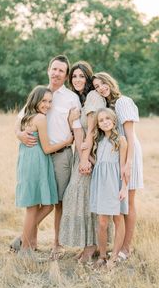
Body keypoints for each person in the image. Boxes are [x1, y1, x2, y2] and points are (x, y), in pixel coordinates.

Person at [15, 55, 83, 257]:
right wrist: (19, 134)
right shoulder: (38, 94)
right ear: (48, 70)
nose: (57, 73)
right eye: (54, 69)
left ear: (66, 75)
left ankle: (57, 243)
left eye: (61, 70)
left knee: (59, 201)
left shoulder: (72, 98)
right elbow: (19, 120)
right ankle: (30, 242)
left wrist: (82, 155)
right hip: (39, 155)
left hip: (61, 156)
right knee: (37, 200)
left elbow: (77, 128)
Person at [59, 61, 107, 262]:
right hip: (82, 152)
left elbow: (94, 129)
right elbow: (78, 130)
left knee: (84, 195)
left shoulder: (94, 97)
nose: (77, 80)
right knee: (80, 195)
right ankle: (89, 244)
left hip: (92, 152)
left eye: (81, 76)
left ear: (88, 78)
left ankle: (92, 246)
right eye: (74, 76)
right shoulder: (79, 99)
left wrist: (87, 158)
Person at [92, 72, 143, 260]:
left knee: (128, 203)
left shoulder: (122, 102)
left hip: (130, 154)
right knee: (119, 205)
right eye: (96, 87)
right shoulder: (107, 105)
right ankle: (115, 247)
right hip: (116, 157)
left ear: (110, 81)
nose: (101, 88)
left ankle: (126, 248)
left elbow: (130, 136)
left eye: (102, 83)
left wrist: (128, 164)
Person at [90, 108, 128, 268]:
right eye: (101, 120)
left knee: (118, 219)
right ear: (98, 125)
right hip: (100, 184)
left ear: (113, 121)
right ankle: (102, 256)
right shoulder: (98, 142)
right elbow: (98, 163)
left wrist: (124, 187)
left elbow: (124, 167)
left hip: (114, 184)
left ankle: (114, 257)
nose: (104, 122)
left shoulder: (121, 140)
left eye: (107, 118)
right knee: (102, 222)